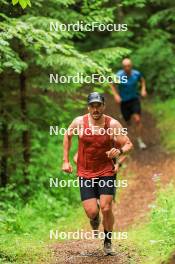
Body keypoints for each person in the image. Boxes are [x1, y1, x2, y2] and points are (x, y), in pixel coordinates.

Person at [62, 92, 133, 254]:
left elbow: (129, 144)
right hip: (85, 171)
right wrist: (65, 160)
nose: (95, 109)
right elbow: (67, 135)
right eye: (92, 106)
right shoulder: (79, 122)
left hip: (106, 170)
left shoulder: (112, 124)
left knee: (106, 207)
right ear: (88, 107)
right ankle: (95, 219)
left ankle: (108, 241)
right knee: (92, 211)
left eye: (98, 105)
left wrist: (119, 151)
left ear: (103, 106)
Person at [110, 58, 147, 149]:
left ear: (131, 66)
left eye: (128, 66)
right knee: (128, 122)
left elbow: (142, 80)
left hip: (134, 99)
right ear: (123, 67)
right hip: (124, 101)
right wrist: (116, 95)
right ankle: (129, 138)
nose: (127, 68)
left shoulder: (136, 74)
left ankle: (139, 140)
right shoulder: (119, 75)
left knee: (137, 119)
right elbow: (111, 84)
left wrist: (143, 89)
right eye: (125, 66)